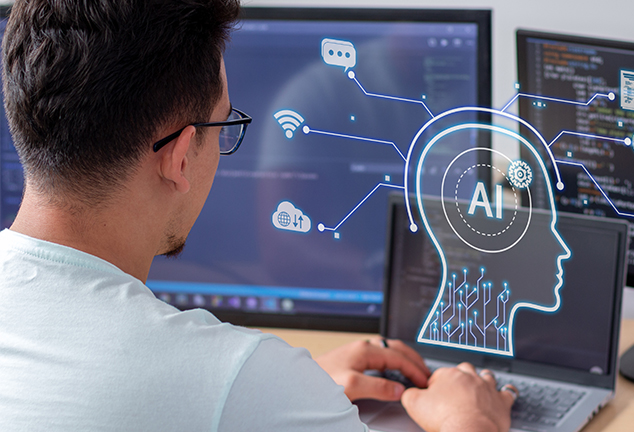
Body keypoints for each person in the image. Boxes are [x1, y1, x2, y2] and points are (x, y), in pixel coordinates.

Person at [0, 1, 516, 431]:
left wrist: (284, 392)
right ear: (180, 157)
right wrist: (473, 421)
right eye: (224, 125)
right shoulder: (233, 375)